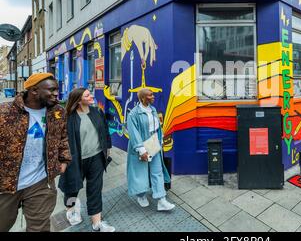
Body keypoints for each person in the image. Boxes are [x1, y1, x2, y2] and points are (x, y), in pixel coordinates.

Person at [0, 73, 71, 232]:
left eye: (56, 89)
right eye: (51, 90)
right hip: (6, 184)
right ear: (33, 91)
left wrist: (64, 160)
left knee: (39, 227)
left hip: (40, 182)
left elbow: (63, 137)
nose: (56, 93)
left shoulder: (58, 112)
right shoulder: (5, 112)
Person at [58, 88, 115, 232]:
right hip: (76, 160)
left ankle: (97, 222)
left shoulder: (97, 112)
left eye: (90, 94)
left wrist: (107, 148)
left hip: (96, 157)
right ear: (78, 100)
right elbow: (62, 140)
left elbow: (104, 131)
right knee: (72, 189)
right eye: (87, 95)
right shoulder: (68, 117)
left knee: (95, 189)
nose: (91, 96)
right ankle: (71, 210)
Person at [126, 88, 174, 211]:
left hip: (153, 142)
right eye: (150, 95)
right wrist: (141, 150)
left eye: (152, 94)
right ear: (143, 98)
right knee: (140, 172)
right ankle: (141, 195)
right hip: (141, 144)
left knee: (157, 171)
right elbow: (134, 133)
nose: (153, 97)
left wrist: (161, 139)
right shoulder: (133, 114)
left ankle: (161, 200)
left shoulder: (153, 109)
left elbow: (157, 127)